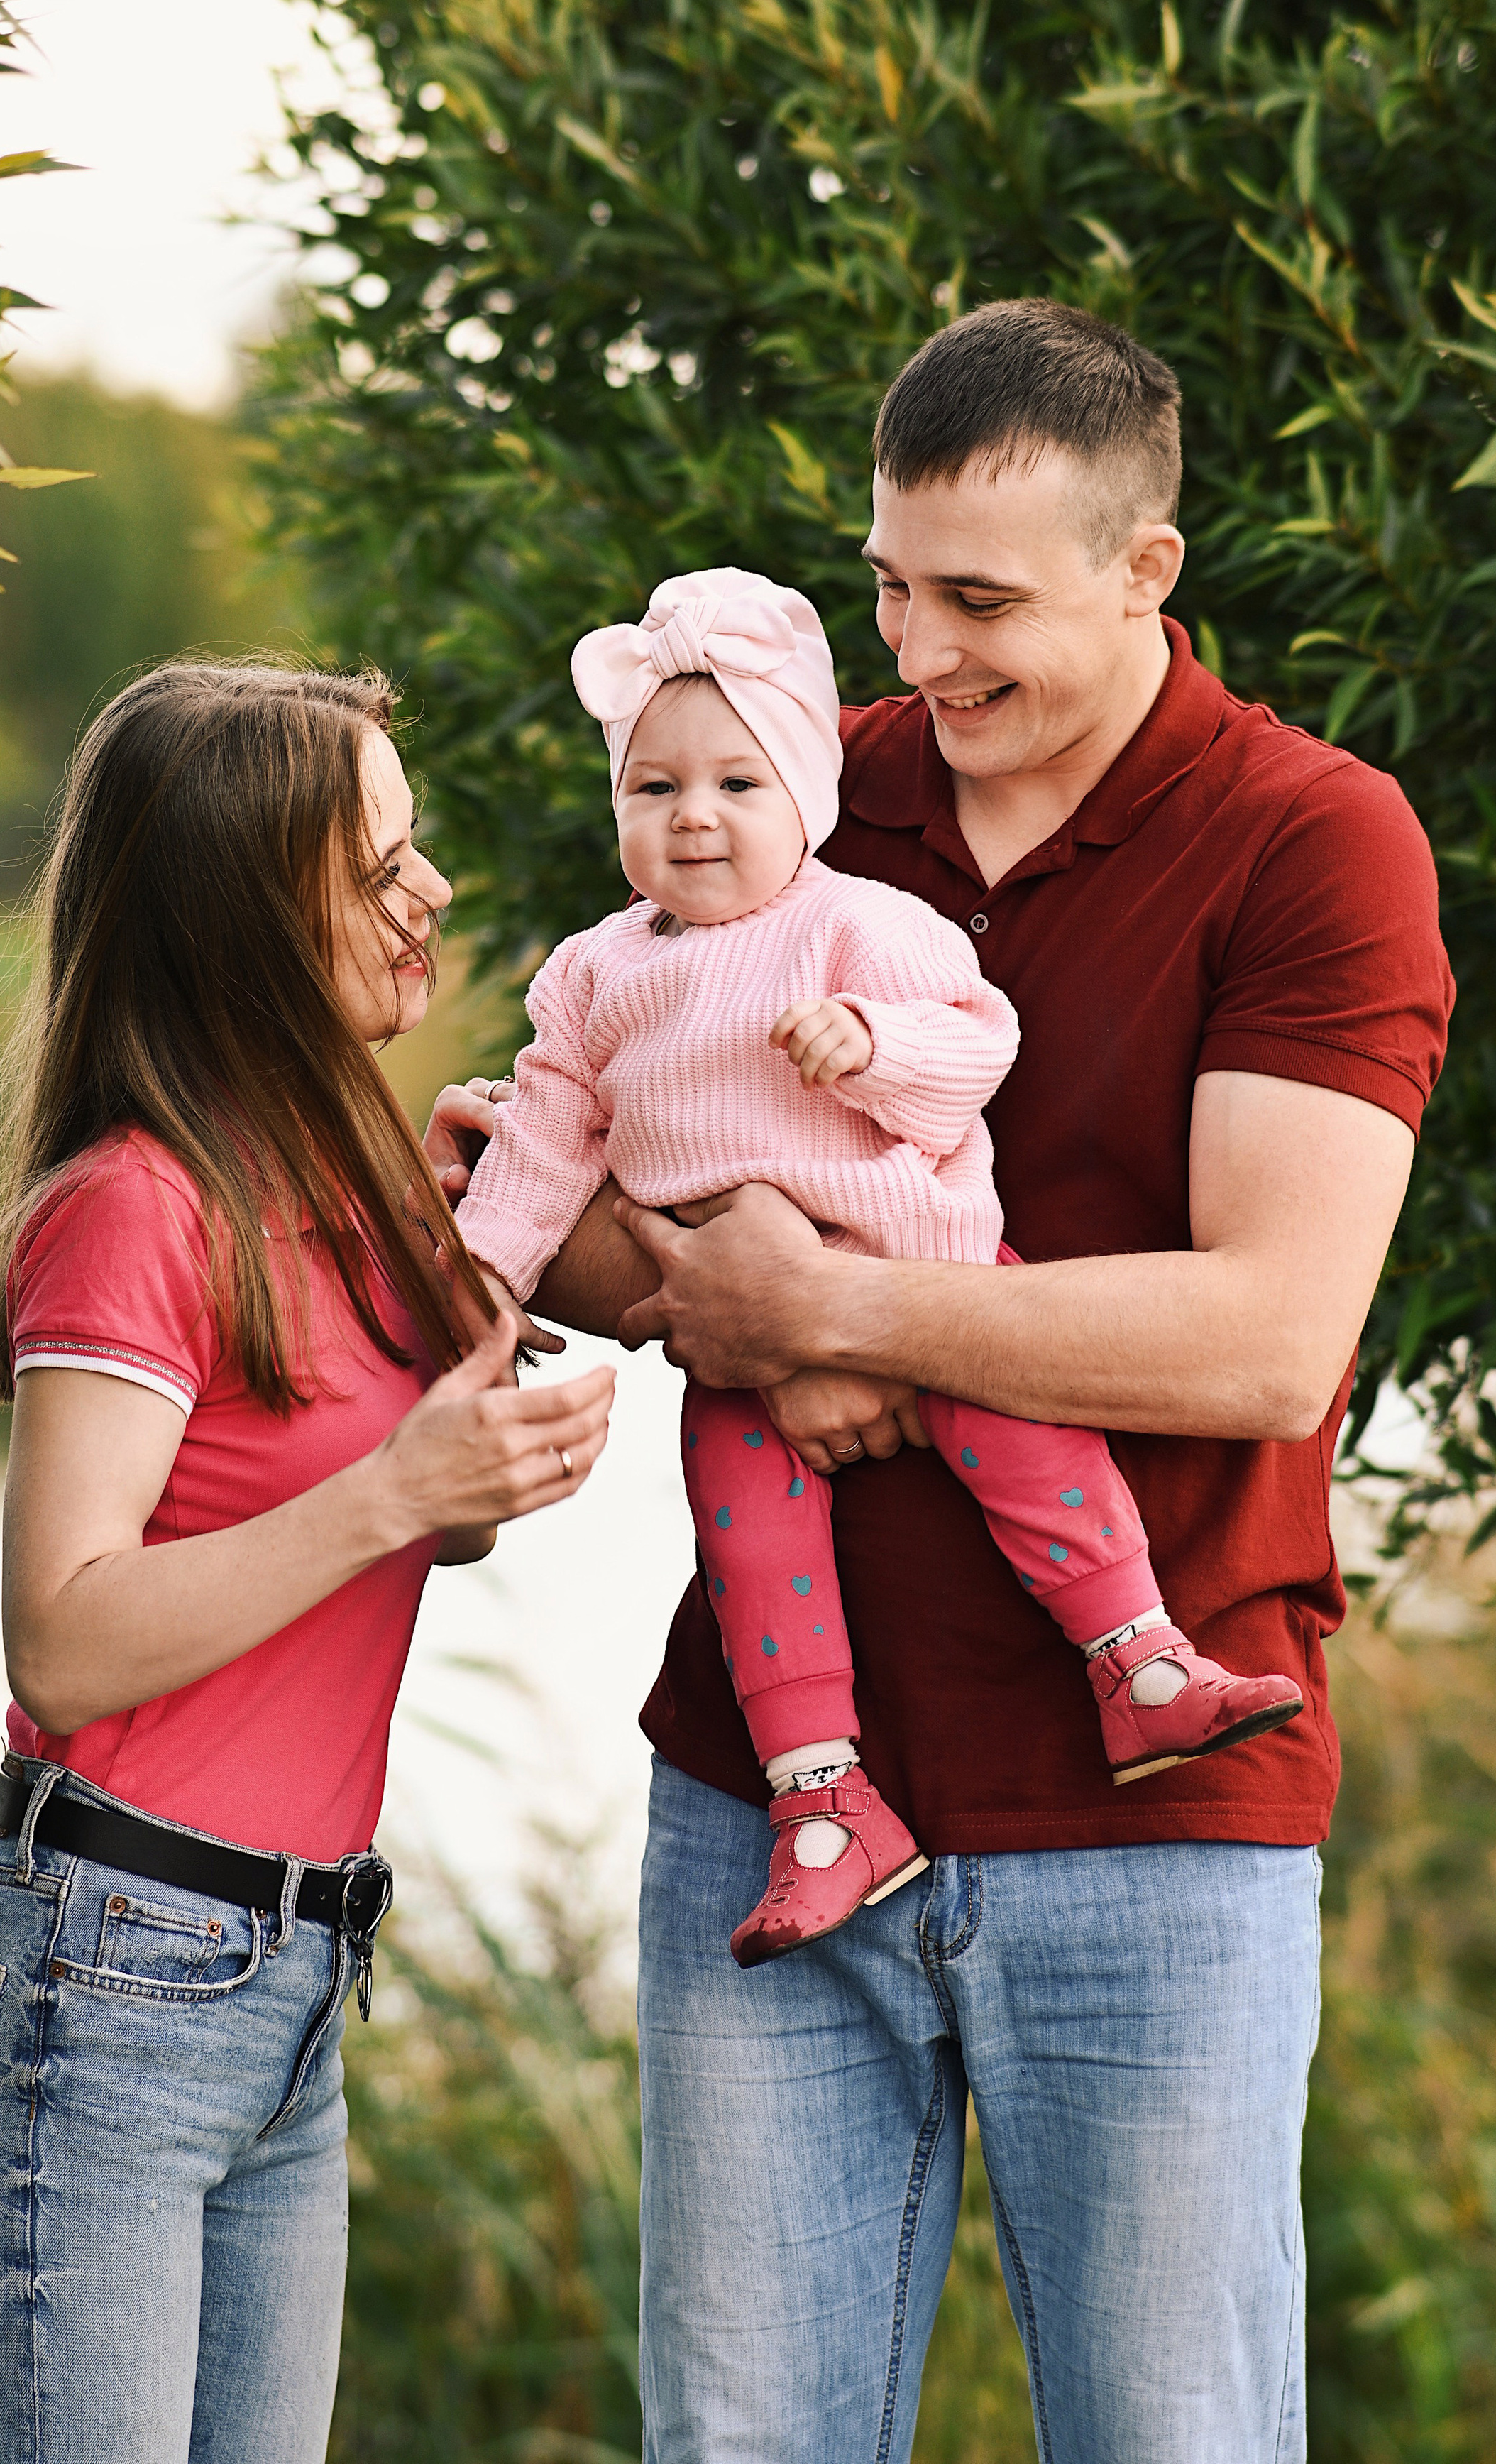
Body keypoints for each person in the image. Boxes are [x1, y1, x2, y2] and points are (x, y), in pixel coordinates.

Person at [431, 300, 1454, 2463]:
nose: (919, 652)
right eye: (892, 584)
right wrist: (712, 1291)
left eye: (979, 601)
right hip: (768, 1794)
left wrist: (839, 1314)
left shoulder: (1311, 840)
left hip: (1156, 1819)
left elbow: (1267, 1335)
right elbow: (575, 1169)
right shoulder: (803, 789)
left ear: (1146, 569)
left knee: (1172, 2435)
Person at [0, 661, 616, 2464]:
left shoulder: (342, 1186)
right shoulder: (136, 1207)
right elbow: (63, 1639)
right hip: (99, 1988)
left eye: (414, 851)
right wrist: (395, 1492)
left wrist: (465, 1470)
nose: (428, 893)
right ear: (243, 909)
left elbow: (357, 1533)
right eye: (378, 867)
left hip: (283, 1989)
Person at [451, 563, 1303, 1971]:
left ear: (802, 797)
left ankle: (1139, 1663)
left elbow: (976, 1048)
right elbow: (546, 1134)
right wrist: (486, 1272)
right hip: (734, 1342)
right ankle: (823, 1802)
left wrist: (870, 1046)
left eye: (734, 785)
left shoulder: (853, 926)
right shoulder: (595, 975)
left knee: (1030, 1451)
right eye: (652, 791)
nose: (693, 819)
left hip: (930, 1278)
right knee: (750, 1544)